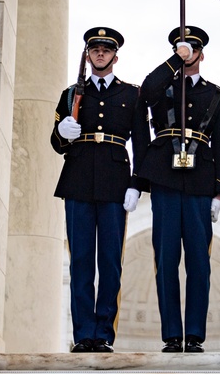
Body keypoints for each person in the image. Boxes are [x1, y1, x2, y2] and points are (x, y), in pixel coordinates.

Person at [131, 26, 220, 353]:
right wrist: (175, 60)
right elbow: (144, 93)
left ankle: (196, 335)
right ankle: (172, 334)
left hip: (201, 179)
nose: (187, 54)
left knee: (200, 262)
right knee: (166, 258)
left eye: (191, 50)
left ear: (202, 54)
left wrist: (219, 191)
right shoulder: (163, 88)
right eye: (181, 49)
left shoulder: (217, 95)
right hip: (165, 178)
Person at [51, 27, 149, 353]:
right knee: (80, 261)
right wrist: (63, 132)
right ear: (89, 54)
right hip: (78, 180)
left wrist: (137, 184)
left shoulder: (131, 95)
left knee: (109, 262)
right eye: (95, 49)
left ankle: (104, 333)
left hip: (115, 184)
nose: (101, 54)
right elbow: (56, 142)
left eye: (107, 49)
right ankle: (83, 334)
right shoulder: (70, 95)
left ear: (115, 56)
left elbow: (142, 144)